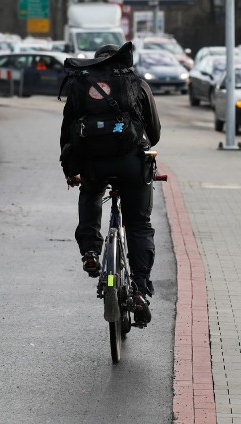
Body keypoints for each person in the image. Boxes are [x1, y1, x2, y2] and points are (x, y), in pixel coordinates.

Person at [59, 42, 162, 312]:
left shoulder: (81, 84)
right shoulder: (135, 82)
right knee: (139, 224)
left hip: (94, 164)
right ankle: (139, 287)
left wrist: (72, 171)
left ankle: (90, 251)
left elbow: (67, 132)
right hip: (131, 163)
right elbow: (155, 131)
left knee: (91, 194)